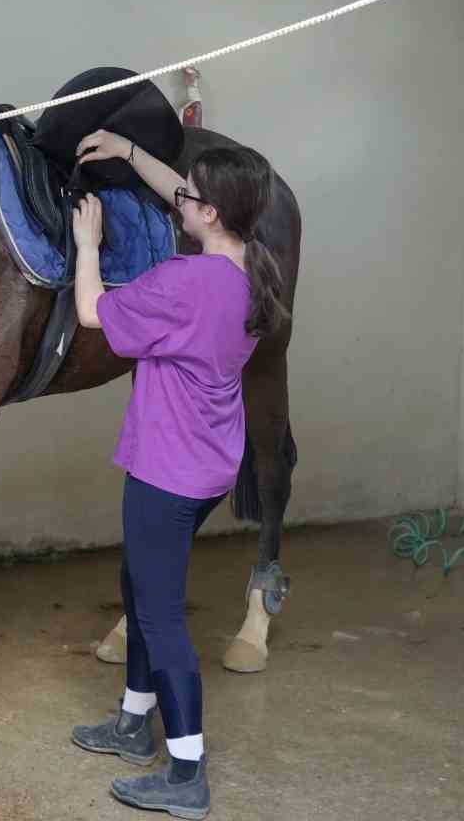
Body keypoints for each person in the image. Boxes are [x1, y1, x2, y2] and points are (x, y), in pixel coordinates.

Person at [66, 129, 289, 818]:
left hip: (166, 469)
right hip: (209, 462)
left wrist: (87, 248)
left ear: (212, 213)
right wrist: (131, 155)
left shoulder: (181, 281)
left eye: (189, 197)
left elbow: (90, 311)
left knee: (159, 616)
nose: (179, 201)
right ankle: (135, 723)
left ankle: (186, 770)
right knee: (139, 588)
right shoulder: (254, 267)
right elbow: (189, 197)